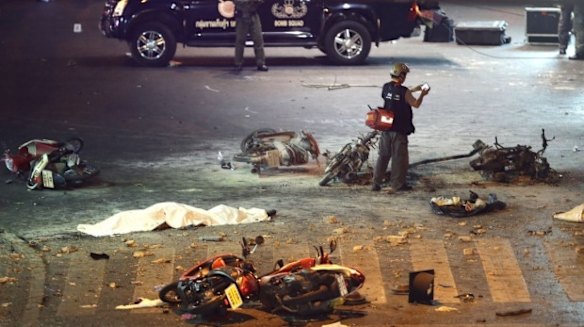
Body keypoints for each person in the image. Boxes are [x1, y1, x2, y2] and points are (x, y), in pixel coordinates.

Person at [371, 63, 430, 193]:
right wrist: (422, 94)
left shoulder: (386, 87)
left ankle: (376, 183)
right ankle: (397, 185)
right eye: (405, 75)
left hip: (386, 129)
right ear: (401, 76)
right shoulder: (405, 92)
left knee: (383, 156)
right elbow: (415, 104)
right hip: (399, 130)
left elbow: (397, 91)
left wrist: (413, 89)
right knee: (399, 159)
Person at [233, 0, 268, 72]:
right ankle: (238, 63)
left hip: (253, 15)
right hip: (242, 16)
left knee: (258, 39)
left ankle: (260, 63)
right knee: (240, 41)